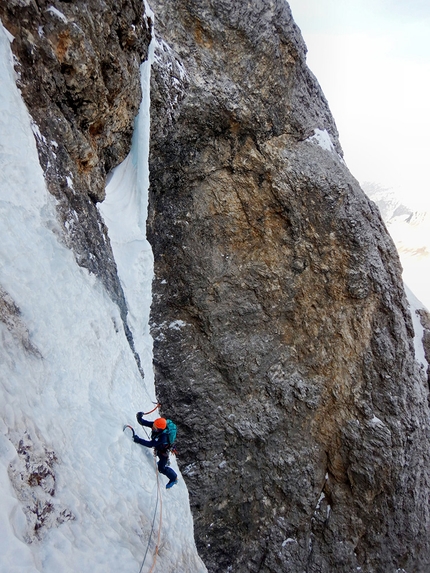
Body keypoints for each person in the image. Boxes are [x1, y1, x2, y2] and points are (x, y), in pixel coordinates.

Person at [133, 413, 178, 489]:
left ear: (160, 429)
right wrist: (139, 417)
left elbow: (151, 444)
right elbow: (144, 422)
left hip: (163, 452)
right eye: (153, 426)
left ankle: (174, 478)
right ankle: (165, 462)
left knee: (161, 468)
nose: (153, 428)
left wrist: (138, 440)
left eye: (155, 428)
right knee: (160, 458)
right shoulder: (157, 425)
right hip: (160, 449)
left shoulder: (163, 437)